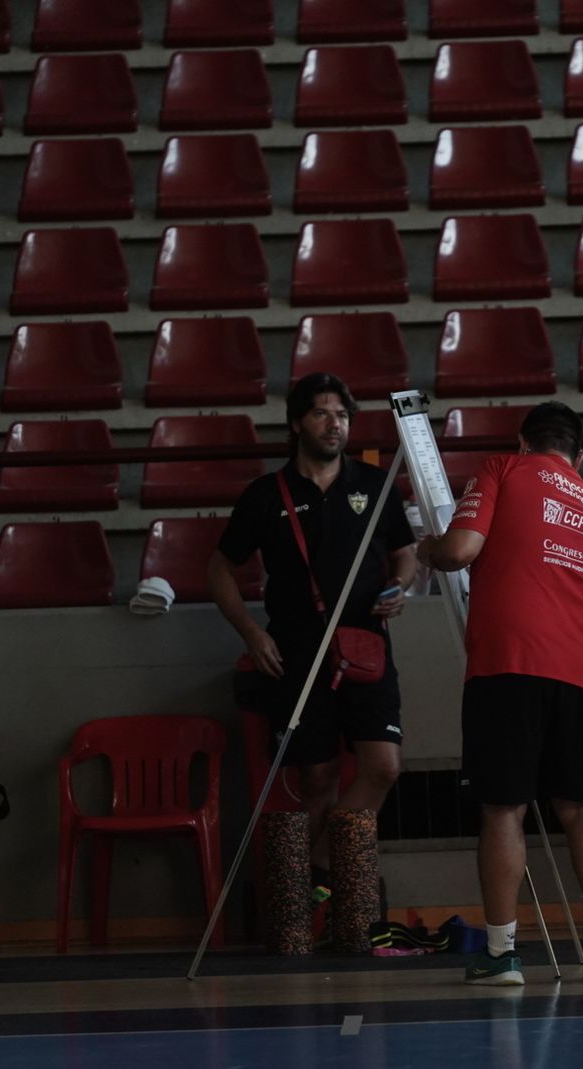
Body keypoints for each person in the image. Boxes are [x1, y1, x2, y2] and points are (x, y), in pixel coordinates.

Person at [417, 401, 583, 986]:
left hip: (510, 662)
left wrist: (426, 549)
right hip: (581, 667)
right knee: (582, 805)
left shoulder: (504, 469)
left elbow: (461, 550)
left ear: (523, 442)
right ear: (579, 455)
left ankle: (501, 953)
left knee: (503, 806)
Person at [208, 372, 416, 877]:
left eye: (342, 415)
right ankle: (325, 908)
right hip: (297, 652)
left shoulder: (373, 483)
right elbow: (219, 570)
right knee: (318, 777)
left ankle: (321, 867)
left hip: (367, 645)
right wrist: (252, 634)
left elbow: (404, 553)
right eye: (322, 413)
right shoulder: (265, 494)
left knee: (384, 767)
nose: (334, 424)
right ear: (297, 422)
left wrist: (400, 587)